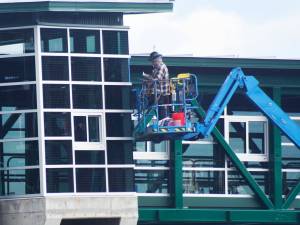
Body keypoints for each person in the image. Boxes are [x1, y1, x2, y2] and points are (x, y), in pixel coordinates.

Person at [143, 51, 171, 123]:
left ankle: (164, 123)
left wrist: (147, 77)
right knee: (154, 107)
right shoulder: (156, 69)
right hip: (156, 92)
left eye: (153, 61)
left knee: (161, 110)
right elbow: (153, 78)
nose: (152, 63)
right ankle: (160, 122)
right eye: (152, 62)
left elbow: (157, 79)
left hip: (161, 93)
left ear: (158, 60)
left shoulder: (162, 67)